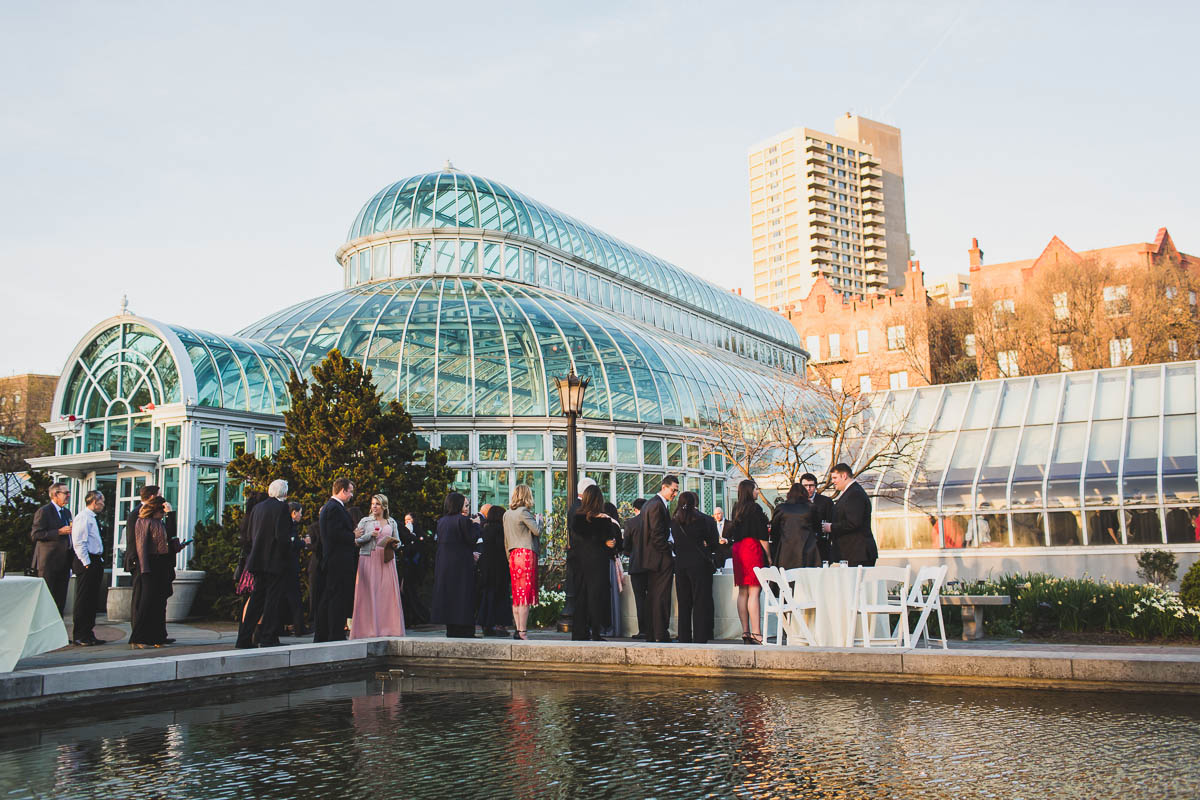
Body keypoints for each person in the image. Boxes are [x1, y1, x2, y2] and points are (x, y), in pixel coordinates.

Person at [235, 479, 293, 649]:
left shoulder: (258, 508)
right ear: (284, 492)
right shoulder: (281, 508)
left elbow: (251, 534)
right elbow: (281, 536)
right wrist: (288, 549)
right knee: (272, 600)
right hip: (274, 561)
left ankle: (244, 638)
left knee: (256, 600)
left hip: (257, 560)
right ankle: (268, 637)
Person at [350, 494, 405, 639]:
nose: (374, 506)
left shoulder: (391, 522)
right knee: (368, 594)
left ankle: (389, 628)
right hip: (369, 558)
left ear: (384, 506)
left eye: (378, 504)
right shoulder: (365, 521)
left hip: (387, 560)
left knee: (387, 594)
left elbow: (398, 541)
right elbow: (355, 541)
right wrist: (370, 535)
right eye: (373, 504)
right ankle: (367, 630)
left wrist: (395, 544)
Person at [570, 485, 619, 641]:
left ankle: (579, 631)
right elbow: (611, 543)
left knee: (581, 595)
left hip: (580, 562)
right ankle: (596, 631)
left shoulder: (577, 519)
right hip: (598, 562)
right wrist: (606, 544)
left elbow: (577, 541)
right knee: (597, 596)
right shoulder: (604, 520)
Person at [129, 496, 178, 648]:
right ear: (155, 509)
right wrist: (144, 569)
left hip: (162, 563)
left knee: (158, 602)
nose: (163, 513)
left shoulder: (160, 522)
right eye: (162, 510)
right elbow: (141, 546)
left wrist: (171, 515)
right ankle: (139, 638)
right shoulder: (143, 522)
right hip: (150, 564)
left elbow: (170, 535)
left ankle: (156, 636)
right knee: (147, 601)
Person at [432, 492, 482, 638]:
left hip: (444, 564)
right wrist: (477, 526)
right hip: (461, 565)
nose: (467, 508)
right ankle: (465, 630)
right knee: (463, 596)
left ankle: (451, 629)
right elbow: (471, 539)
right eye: (465, 505)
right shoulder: (463, 520)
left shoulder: (442, 521)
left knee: (449, 596)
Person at [671, 491, 720, 644]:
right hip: (699, 563)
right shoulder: (703, 520)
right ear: (696, 502)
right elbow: (713, 543)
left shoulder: (674, 521)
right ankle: (700, 636)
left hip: (680, 563)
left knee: (684, 601)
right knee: (700, 600)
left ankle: (684, 636)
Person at [315, 478, 357, 643]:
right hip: (337, 561)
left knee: (330, 597)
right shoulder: (334, 508)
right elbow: (335, 534)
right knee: (335, 598)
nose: (351, 495)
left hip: (334, 560)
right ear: (343, 490)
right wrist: (354, 535)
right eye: (351, 491)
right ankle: (334, 633)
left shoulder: (330, 507)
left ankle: (326, 633)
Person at [728, 479, 770, 645]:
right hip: (751, 548)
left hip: (738, 549)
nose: (758, 492)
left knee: (743, 592)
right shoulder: (755, 508)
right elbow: (762, 536)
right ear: (749, 491)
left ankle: (745, 631)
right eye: (756, 489)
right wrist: (769, 556)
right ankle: (757, 633)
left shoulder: (736, 508)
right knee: (754, 591)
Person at [640, 475, 678, 643]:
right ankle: (660, 633)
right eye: (673, 490)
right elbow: (656, 535)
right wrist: (668, 549)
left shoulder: (649, 504)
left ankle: (653, 633)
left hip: (651, 559)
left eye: (676, 491)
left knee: (654, 597)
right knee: (661, 597)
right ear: (664, 487)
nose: (675, 494)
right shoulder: (657, 505)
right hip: (660, 559)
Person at [69, 489, 107, 646]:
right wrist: (86, 562)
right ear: (94, 501)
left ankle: (88, 632)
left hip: (95, 559)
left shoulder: (92, 518)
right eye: (101, 502)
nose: (103, 505)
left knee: (91, 600)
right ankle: (80, 634)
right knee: (84, 599)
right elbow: (79, 541)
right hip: (87, 561)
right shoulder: (83, 517)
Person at [821, 464, 878, 567]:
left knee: (855, 583)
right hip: (855, 553)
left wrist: (831, 527)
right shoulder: (852, 492)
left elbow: (854, 522)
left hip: (858, 554)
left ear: (844, 476)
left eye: (835, 478)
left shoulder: (854, 494)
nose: (833, 481)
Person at [503, 484, 540, 641]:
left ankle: (518, 629)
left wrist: (509, 558)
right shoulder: (523, 512)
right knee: (524, 595)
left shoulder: (507, 514)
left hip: (513, 555)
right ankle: (522, 631)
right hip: (525, 555)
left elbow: (506, 540)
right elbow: (537, 531)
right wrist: (540, 521)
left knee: (517, 595)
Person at [30, 482, 73, 614]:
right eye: (65, 493)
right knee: (48, 600)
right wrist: (58, 532)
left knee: (60, 601)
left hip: (64, 563)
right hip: (48, 563)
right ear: (55, 495)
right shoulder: (44, 511)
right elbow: (36, 534)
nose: (68, 496)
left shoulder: (66, 512)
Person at [476, 504, 512, 637]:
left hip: (486, 567)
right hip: (499, 567)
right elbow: (502, 548)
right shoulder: (501, 530)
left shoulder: (484, 529)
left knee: (488, 596)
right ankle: (499, 625)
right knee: (500, 596)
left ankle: (487, 624)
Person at [770, 483, 821, 570]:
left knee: (786, 579)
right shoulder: (811, 508)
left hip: (786, 550)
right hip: (808, 548)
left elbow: (774, 531)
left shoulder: (781, 508)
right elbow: (817, 527)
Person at [398, 512, 431, 627]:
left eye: (409, 520)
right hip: (406, 566)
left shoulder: (419, 533)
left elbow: (419, 548)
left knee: (411, 591)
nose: (407, 523)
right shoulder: (405, 533)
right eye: (405, 520)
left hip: (414, 567)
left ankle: (418, 616)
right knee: (406, 591)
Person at [622, 498, 649, 639]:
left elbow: (626, 546)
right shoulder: (653, 522)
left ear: (635, 509)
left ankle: (643, 629)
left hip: (636, 564)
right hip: (652, 565)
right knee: (653, 597)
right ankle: (655, 628)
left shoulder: (631, 523)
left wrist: (630, 552)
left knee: (640, 598)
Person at [281, 501, 309, 636]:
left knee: (286, 597)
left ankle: (286, 625)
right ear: (294, 513)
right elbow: (292, 543)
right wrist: (304, 542)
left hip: (286, 567)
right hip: (290, 567)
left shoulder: (287, 525)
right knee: (294, 597)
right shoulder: (290, 526)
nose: (301, 515)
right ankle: (299, 626)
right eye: (300, 512)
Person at [602, 501, 625, 638]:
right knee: (613, 596)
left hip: (601, 562)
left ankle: (603, 628)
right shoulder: (614, 524)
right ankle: (614, 628)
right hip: (612, 561)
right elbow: (621, 546)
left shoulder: (598, 522)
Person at [801, 473, 835, 563]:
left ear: (815, 486)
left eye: (811, 485)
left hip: (821, 546)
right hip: (802, 548)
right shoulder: (796, 503)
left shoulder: (826, 502)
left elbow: (831, 521)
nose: (808, 488)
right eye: (805, 486)